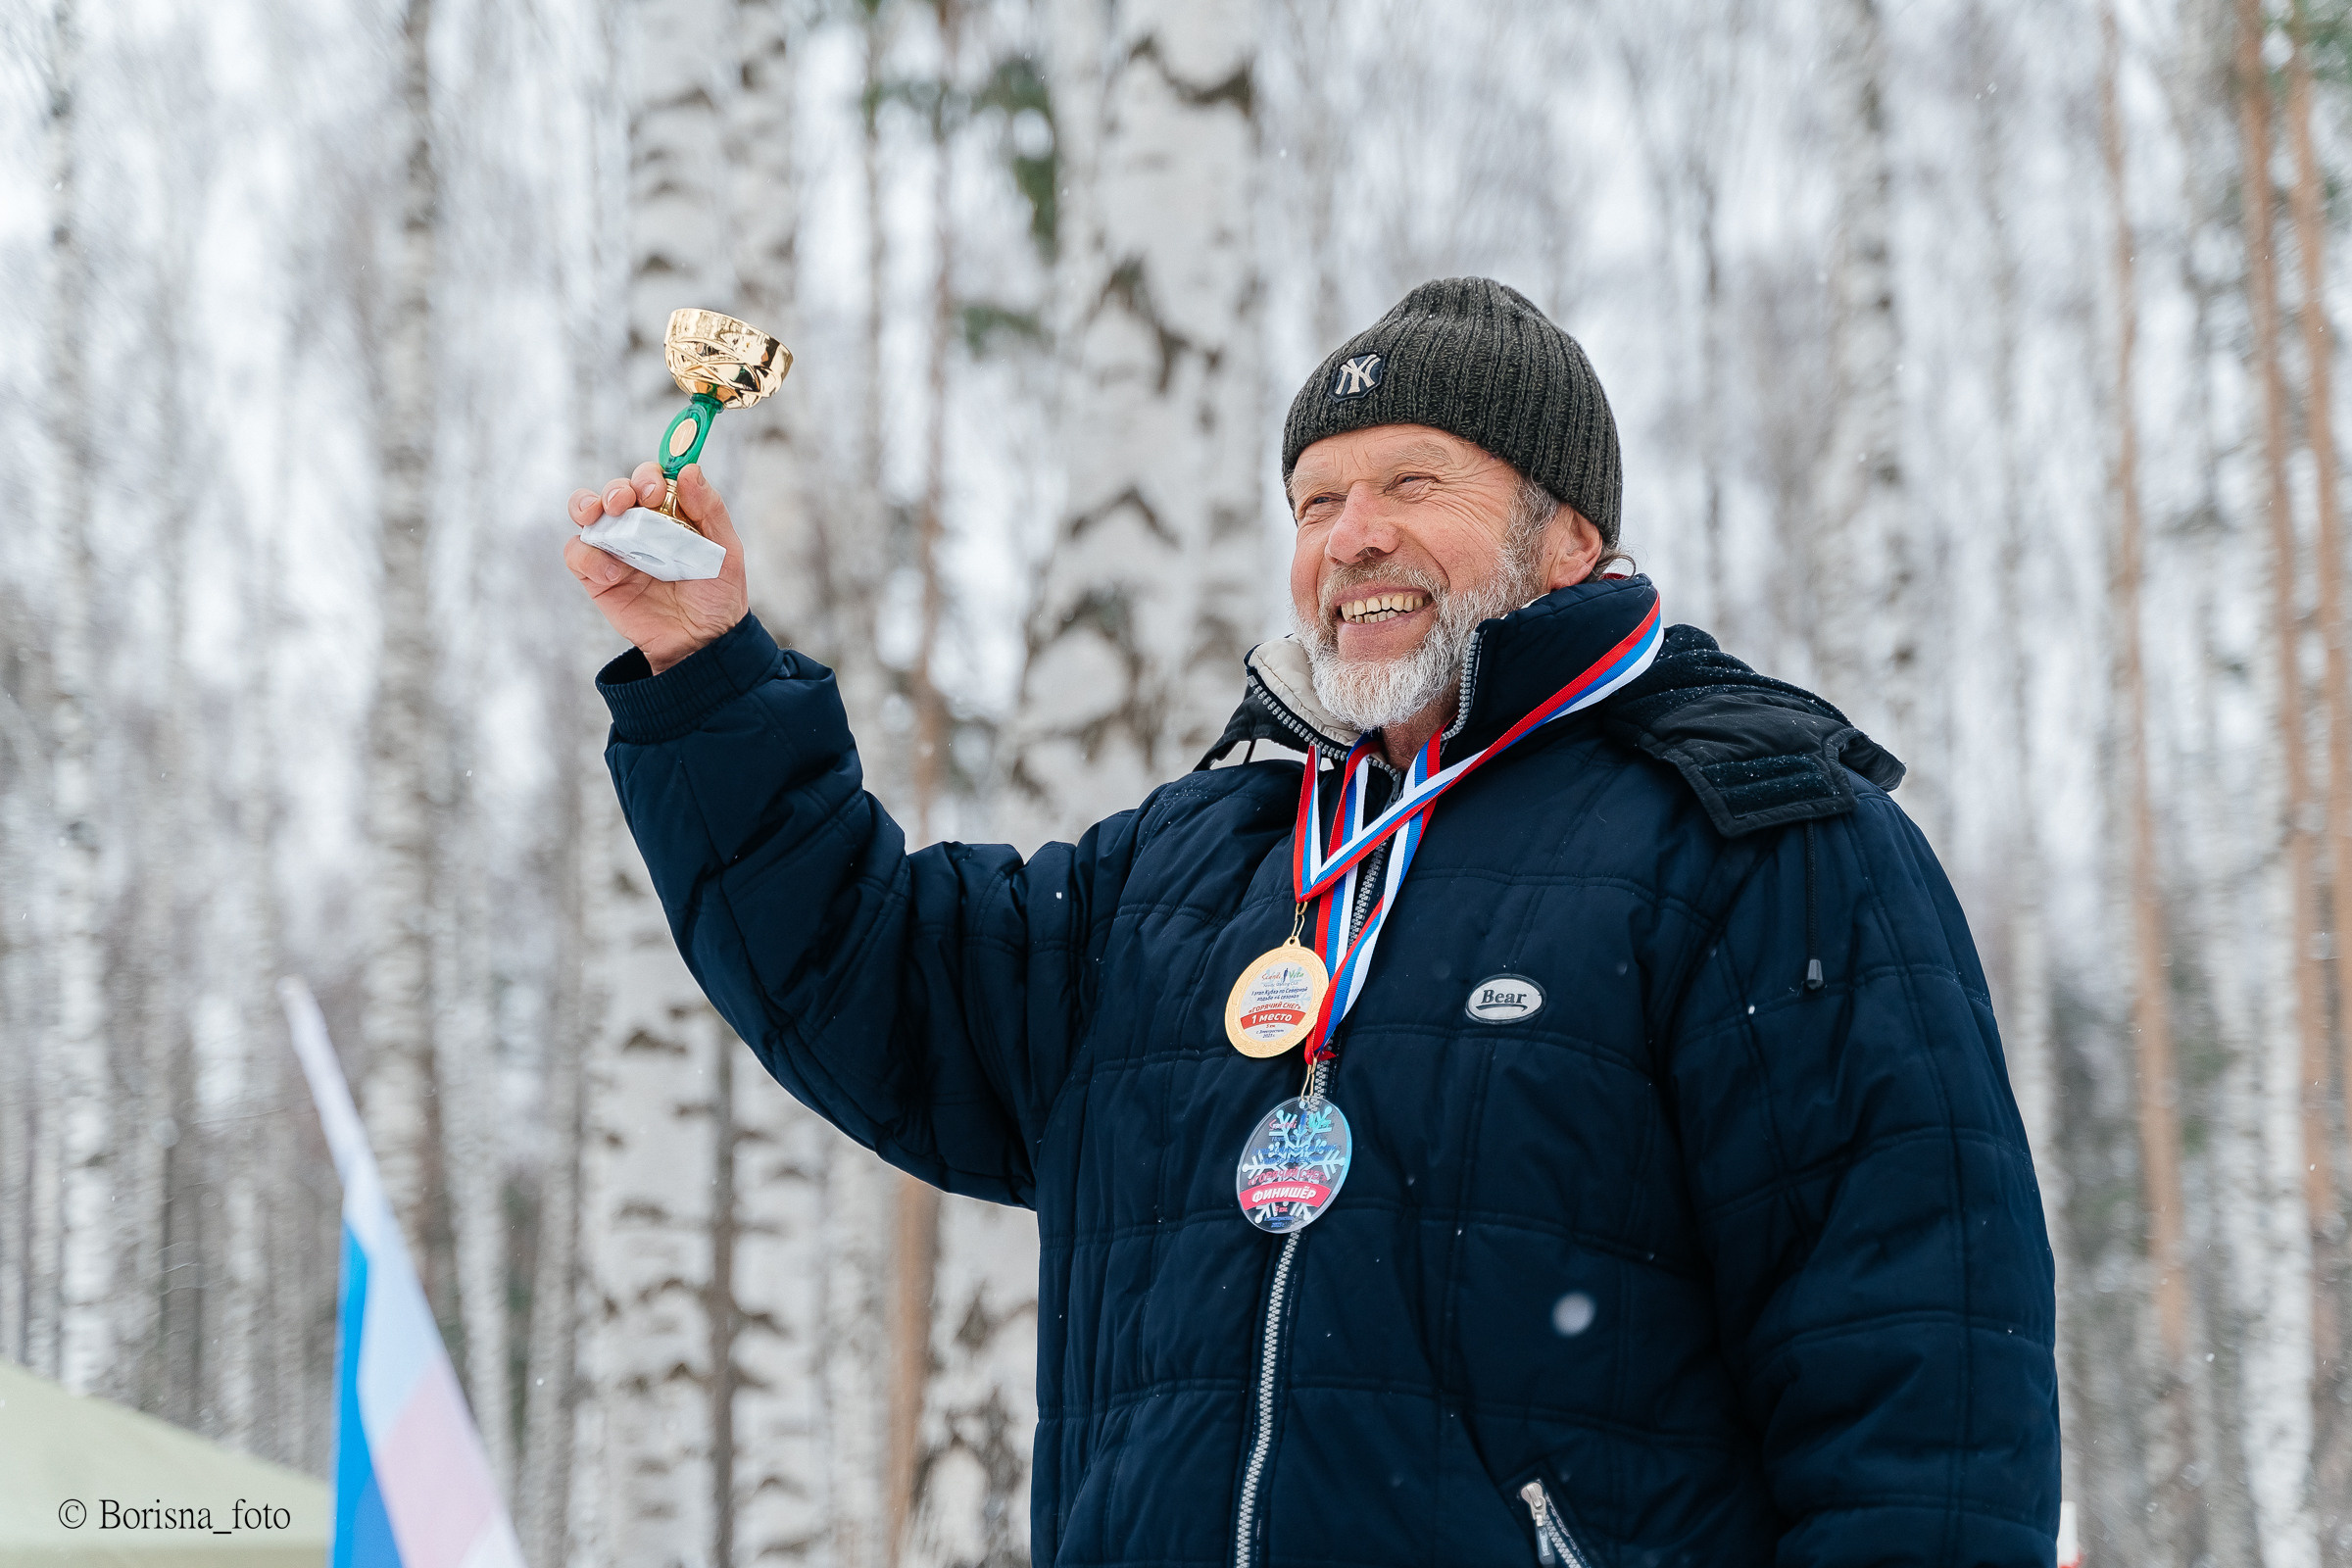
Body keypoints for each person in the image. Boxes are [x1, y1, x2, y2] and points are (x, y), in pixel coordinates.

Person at [564, 277, 2059, 1568]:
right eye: (1315, 502)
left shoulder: (1761, 839)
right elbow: (871, 971)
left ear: (1568, 537)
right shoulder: (1197, 864)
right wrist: (705, 676)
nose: (1350, 539)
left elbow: (1919, 1391)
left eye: (1414, 486)